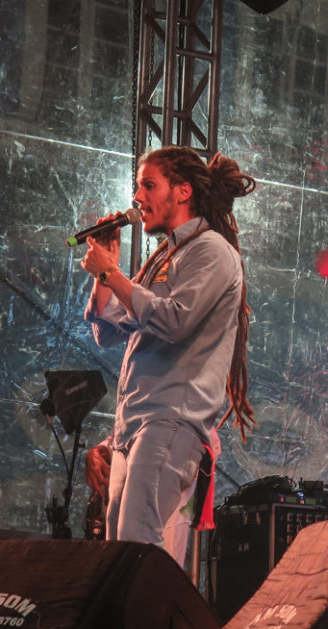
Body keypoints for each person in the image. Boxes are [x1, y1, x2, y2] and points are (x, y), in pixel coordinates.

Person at [79, 146, 257, 567]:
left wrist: (111, 274)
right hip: (134, 425)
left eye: (148, 185)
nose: (137, 196)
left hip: (170, 419)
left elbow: (176, 321)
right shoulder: (164, 255)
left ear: (182, 191)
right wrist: (108, 270)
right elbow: (107, 330)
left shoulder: (211, 250)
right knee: (118, 554)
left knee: (135, 549)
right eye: (137, 186)